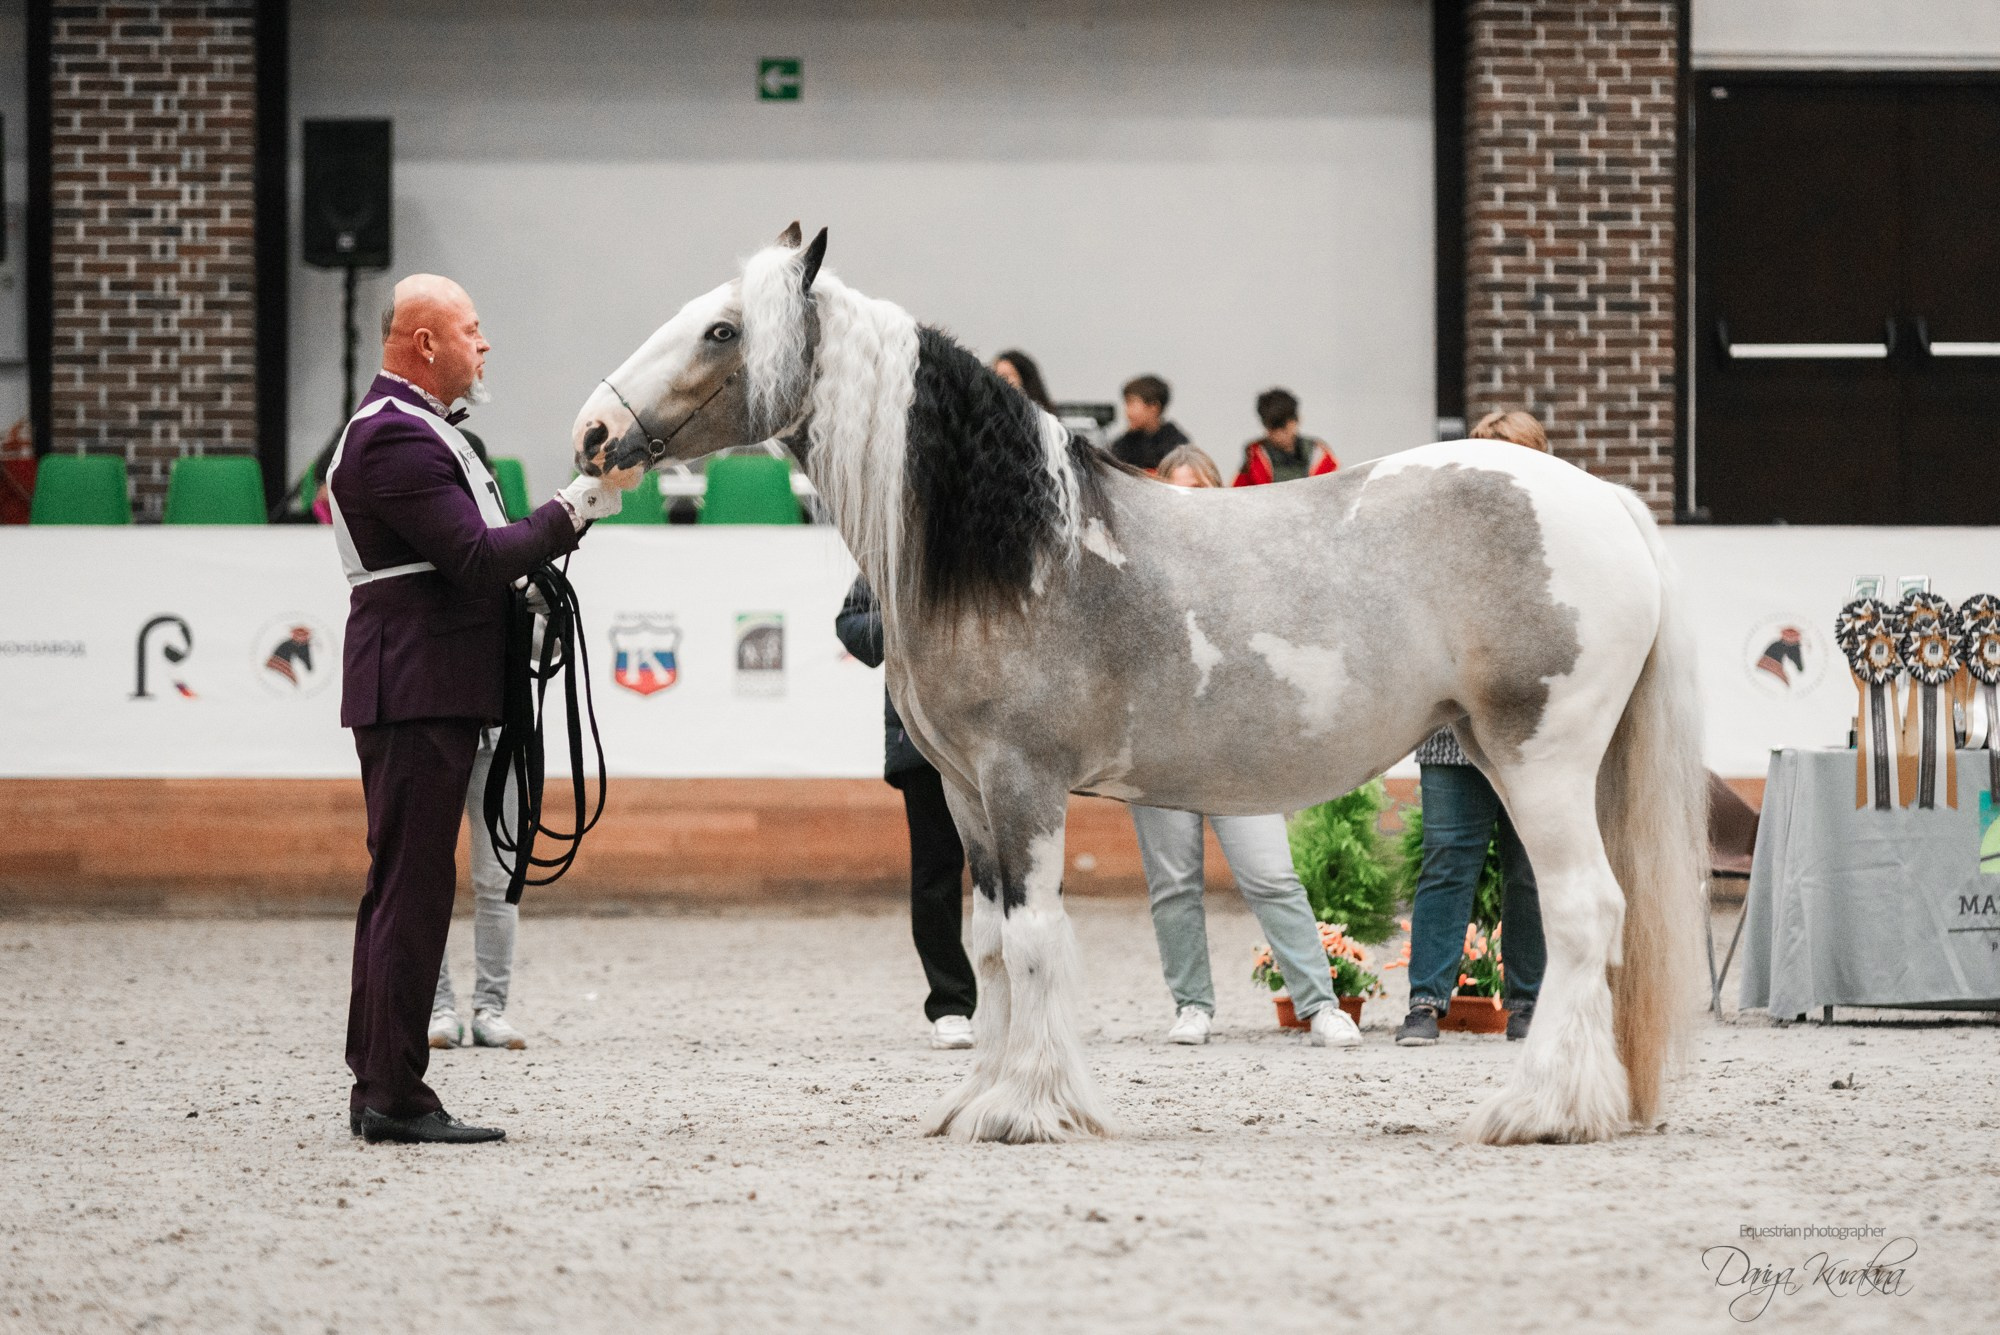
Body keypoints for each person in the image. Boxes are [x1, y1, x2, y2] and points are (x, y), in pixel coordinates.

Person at [331, 273, 639, 1143]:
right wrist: (579, 502)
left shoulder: (418, 432)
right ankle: (394, 1092)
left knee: (404, 888)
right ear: (425, 343)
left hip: (429, 682)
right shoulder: (394, 437)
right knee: (411, 891)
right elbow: (472, 556)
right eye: (472, 329)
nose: (485, 343)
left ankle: (381, 1079)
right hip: (417, 683)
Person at [1126, 444, 1360, 1049]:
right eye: (1174, 495)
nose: (1186, 507)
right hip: (1160, 745)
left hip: (1236, 745)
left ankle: (1320, 1004)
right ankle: (1193, 1005)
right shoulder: (1136, 571)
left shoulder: (1249, 567)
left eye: (1197, 494)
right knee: (1174, 884)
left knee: (1272, 876)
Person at [1394, 408, 1550, 1048]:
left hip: (1530, 736)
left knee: (1529, 867)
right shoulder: (1442, 542)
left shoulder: (1557, 542)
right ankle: (1426, 1001)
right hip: (1453, 730)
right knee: (1447, 863)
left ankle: (1529, 1002)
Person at [835, 578, 978, 1049]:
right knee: (936, 874)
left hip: (1000, 744)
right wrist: (909, 621)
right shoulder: (891, 549)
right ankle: (952, 1004)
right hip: (921, 744)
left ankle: (1023, 997)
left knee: (1015, 875)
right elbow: (852, 625)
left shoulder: (998, 538)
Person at [1233, 388, 1336, 486]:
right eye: (1273, 429)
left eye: (1283, 428)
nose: (1279, 436)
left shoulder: (1319, 454)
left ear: (1297, 420)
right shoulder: (1253, 457)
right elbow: (1237, 494)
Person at [1107, 374, 1190, 471]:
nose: (1127, 412)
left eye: (1132, 403)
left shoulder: (1177, 445)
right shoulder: (1122, 445)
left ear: (1154, 407)